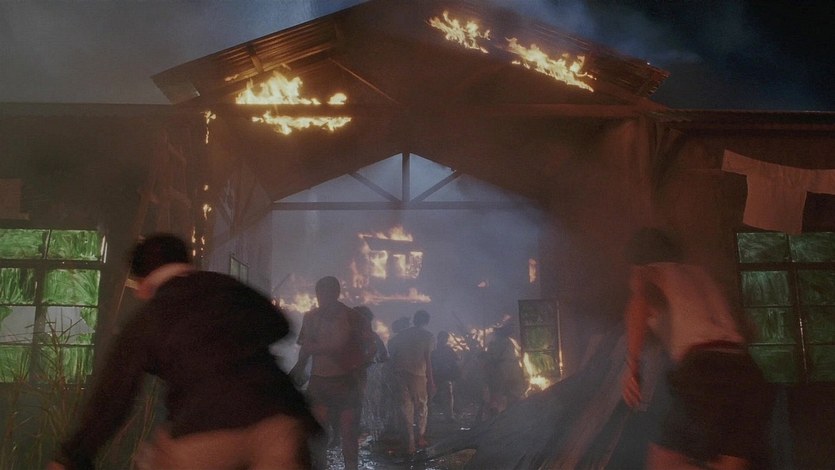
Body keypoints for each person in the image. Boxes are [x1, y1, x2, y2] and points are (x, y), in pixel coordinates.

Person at [48, 233, 318, 470]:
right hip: (278, 421)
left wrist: (72, 457)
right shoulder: (229, 288)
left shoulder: (148, 319)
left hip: (202, 430)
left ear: (142, 283)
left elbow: (113, 398)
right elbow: (279, 325)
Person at [621, 227, 774, 470]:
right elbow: (749, 328)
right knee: (729, 465)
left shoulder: (647, 272)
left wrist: (632, 367)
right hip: (748, 372)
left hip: (706, 371)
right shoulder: (702, 274)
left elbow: (639, 303)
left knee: (663, 464)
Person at [289, 276, 375, 470]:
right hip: (319, 383)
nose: (323, 298)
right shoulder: (311, 317)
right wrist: (300, 367)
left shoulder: (353, 317)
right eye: (320, 294)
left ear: (336, 294)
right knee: (318, 435)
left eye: (327, 294)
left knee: (349, 435)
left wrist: (359, 364)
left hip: (346, 383)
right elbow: (305, 348)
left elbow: (372, 347)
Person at [386, 309, 435, 455]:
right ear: (426, 321)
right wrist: (431, 381)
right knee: (421, 406)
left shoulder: (399, 336)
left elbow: (392, 357)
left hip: (400, 375)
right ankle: (420, 437)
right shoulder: (428, 336)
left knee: (406, 407)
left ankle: (410, 441)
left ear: (414, 319)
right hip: (418, 375)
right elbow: (428, 360)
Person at [484, 323, 526, 417]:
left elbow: (492, 357)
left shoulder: (495, 343)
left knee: (496, 390)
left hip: (501, 368)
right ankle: (512, 411)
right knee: (513, 390)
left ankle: (494, 412)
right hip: (513, 367)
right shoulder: (509, 342)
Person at [430, 330, 461, 423]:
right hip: (434, 376)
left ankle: (449, 416)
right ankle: (428, 415)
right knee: (430, 396)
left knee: (448, 396)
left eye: (446, 339)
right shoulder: (433, 348)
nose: (444, 340)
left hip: (444, 376)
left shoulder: (448, 349)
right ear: (439, 338)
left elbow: (456, 359)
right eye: (443, 338)